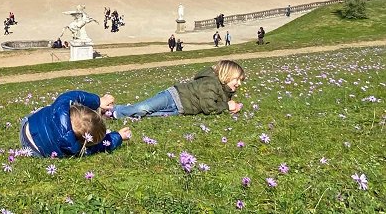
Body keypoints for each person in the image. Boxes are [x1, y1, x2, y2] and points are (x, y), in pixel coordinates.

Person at [113, 60, 245, 119]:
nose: (239, 84)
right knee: (143, 108)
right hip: (174, 96)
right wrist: (227, 106)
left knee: (147, 115)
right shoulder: (210, 83)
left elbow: (218, 106)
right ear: (226, 75)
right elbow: (209, 107)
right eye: (236, 79)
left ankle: (119, 112)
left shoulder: (225, 91)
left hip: (181, 109)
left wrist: (231, 108)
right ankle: (113, 112)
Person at [20, 90, 131, 158]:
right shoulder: (77, 149)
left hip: (28, 127)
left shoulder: (60, 109)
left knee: (49, 111)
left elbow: (73, 96)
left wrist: (98, 101)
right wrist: (119, 136)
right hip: (36, 152)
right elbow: (99, 146)